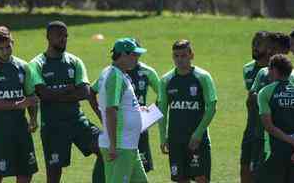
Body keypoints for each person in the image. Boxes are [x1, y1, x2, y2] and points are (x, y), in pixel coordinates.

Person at [29, 21, 100, 183]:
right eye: (59, 35)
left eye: (66, 36)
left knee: (105, 150)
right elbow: (43, 94)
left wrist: (55, 94)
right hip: (53, 126)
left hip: (77, 121)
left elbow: (85, 92)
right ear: (48, 37)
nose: (64, 39)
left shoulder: (75, 61)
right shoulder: (37, 64)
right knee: (54, 174)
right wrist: (68, 89)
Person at [158, 39, 217, 183]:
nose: (179, 59)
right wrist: (162, 137)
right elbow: (162, 111)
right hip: (175, 140)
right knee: (181, 179)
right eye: (176, 56)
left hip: (197, 139)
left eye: (183, 55)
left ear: (191, 55)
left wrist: (197, 134)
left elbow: (212, 108)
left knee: (201, 178)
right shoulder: (166, 80)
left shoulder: (203, 77)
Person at [0, 26, 38, 183]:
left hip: (21, 128)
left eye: (8, 46)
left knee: (25, 171)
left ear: (13, 42)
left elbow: (31, 96)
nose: (5, 51)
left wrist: (33, 118)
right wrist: (19, 104)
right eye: (0, 48)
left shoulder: (23, 67)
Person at [93, 38, 148, 183]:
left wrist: (135, 109)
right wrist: (113, 144)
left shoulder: (110, 72)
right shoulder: (115, 76)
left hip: (128, 145)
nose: (137, 58)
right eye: (134, 55)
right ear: (123, 55)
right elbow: (111, 110)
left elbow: (91, 92)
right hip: (120, 146)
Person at [256, 54, 294, 183]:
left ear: (274, 70)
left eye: (269, 68)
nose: (268, 72)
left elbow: (268, 126)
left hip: (274, 151)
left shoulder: (265, 92)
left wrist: (291, 141)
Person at [240, 31, 271, 183]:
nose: (254, 47)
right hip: (250, 127)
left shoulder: (277, 71)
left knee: (259, 173)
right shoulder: (247, 69)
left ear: (269, 48)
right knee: (244, 167)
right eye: (253, 43)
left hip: (266, 130)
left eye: (259, 43)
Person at [126, 38, 160, 173]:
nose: (136, 57)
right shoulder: (115, 72)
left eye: (138, 54)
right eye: (133, 54)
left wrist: (151, 115)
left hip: (140, 126)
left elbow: (163, 95)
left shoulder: (147, 72)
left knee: (142, 169)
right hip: (120, 125)